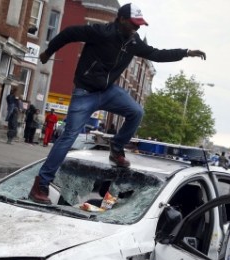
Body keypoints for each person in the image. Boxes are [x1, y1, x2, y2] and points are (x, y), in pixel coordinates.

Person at [29, 3, 206, 203]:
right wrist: (48, 51)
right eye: (133, 25)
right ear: (121, 19)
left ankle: (117, 146)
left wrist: (186, 52)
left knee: (136, 112)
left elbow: (156, 54)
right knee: (68, 136)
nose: (136, 29)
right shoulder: (101, 32)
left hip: (107, 91)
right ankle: (41, 184)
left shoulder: (133, 42)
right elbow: (69, 33)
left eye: (139, 26)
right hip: (85, 92)